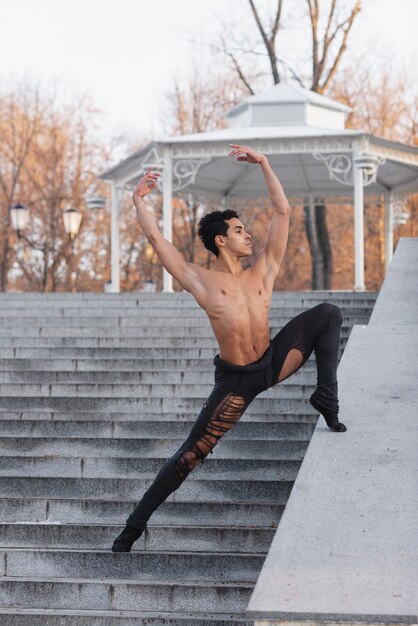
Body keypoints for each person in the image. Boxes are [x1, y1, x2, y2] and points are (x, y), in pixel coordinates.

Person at [112, 144, 346, 553]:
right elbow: (154, 237)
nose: (247, 234)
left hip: (275, 362)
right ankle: (133, 527)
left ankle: (326, 395)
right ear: (221, 240)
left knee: (328, 312)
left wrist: (265, 164)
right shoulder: (199, 280)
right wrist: (138, 201)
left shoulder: (264, 269)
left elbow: (283, 212)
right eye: (239, 230)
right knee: (190, 455)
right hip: (236, 384)